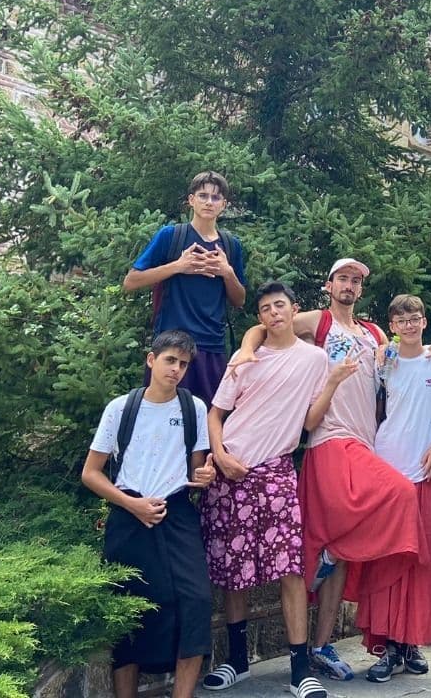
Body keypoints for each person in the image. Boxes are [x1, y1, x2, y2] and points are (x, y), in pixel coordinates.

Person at [232, 258, 421, 683]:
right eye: (343, 279)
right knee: (400, 494)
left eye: (356, 280)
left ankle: (320, 645)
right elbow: (270, 323)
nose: (349, 285)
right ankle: (328, 566)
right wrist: (247, 348)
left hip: (365, 440)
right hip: (329, 439)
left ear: (360, 288)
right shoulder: (316, 321)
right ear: (329, 284)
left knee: (340, 551)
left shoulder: (373, 332)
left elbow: (405, 362)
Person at [199, 283, 331, 698]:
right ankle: (237, 661)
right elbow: (216, 414)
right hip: (231, 472)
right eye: (265, 309)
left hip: (276, 473)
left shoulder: (314, 359)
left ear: (294, 310)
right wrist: (219, 455)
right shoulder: (245, 361)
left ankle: (299, 668)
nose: (274, 312)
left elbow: (310, 422)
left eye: (280, 305)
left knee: (290, 569)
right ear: (260, 318)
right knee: (232, 573)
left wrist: (334, 383)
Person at [81, 331, 217, 698]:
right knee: (130, 610)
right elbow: (90, 473)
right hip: (129, 516)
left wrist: (205, 475)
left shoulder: (194, 408)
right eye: (170, 360)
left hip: (176, 514)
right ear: (151, 360)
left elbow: (197, 472)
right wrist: (130, 504)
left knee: (196, 602)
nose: (176, 369)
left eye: (183, 364)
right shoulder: (121, 408)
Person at [360, 294, 431, 681]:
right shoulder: (384, 362)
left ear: (424, 322)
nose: (409, 324)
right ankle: (387, 646)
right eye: (401, 319)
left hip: (424, 469)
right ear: (392, 325)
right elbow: (372, 410)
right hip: (388, 470)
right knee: (387, 560)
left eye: (416, 318)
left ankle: (410, 642)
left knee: (421, 561)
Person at [123, 171, 247, 406]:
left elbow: (239, 299)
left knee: (208, 420)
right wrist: (178, 266)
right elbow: (131, 281)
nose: (209, 202)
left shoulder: (231, 246)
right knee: (161, 412)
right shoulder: (171, 236)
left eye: (215, 197)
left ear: (224, 204)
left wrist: (226, 272)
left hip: (212, 347)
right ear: (191, 200)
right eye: (202, 196)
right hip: (171, 346)